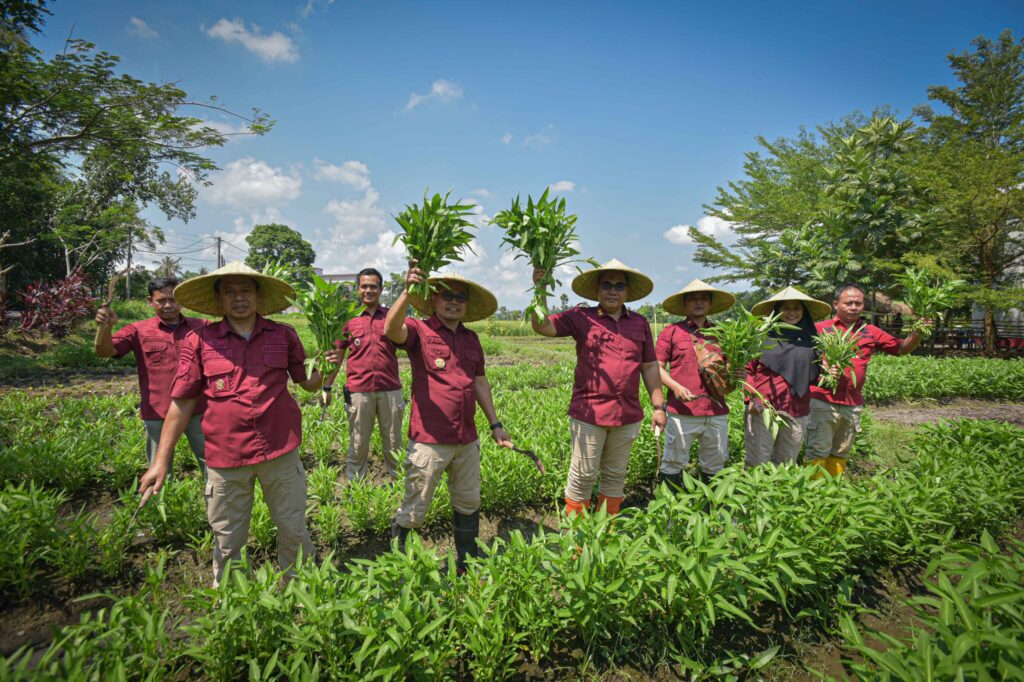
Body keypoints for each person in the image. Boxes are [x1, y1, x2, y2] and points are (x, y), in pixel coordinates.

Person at [138, 262, 339, 586]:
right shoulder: (200, 341)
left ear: (258, 296)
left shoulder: (283, 335)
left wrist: (329, 368)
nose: (238, 297)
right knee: (227, 537)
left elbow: (307, 383)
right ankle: (233, 601)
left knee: (292, 528)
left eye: (245, 290)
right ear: (219, 300)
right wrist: (160, 461)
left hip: (280, 451)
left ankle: (301, 591)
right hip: (226, 457)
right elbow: (182, 401)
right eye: (229, 291)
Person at [385, 263, 512, 574]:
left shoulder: (471, 340)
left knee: (468, 503)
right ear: (434, 300)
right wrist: (406, 291)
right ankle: (405, 570)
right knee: (415, 509)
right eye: (447, 296)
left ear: (466, 304)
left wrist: (495, 425)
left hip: (466, 440)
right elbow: (390, 330)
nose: (454, 301)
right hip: (429, 440)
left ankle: (466, 563)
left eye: (460, 297)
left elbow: (480, 382)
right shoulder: (420, 330)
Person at [530, 259, 666, 516]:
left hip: (627, 415)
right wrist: (539, 290)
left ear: (627, 292)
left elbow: (649, 366)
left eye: (619, 285)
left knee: (615, 475)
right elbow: (543, 326)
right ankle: (577, 542)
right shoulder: (581, 317)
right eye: (606, 285)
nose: (612, 290)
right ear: (597, 290)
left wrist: (659, 406)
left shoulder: (639, 323)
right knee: (582, 476)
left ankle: (607, 531)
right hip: (589, 413)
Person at [805, 283, 928, 476]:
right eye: (849, 303)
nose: (854, 307)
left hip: (851, 403)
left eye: (858, 303)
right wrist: (823, 368)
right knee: (817, 449)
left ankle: (832, 491)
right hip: (822, 400)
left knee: (841, 451)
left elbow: (901, 348)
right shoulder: (820, 329)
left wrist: (918, 332)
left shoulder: (869, 331)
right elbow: (802, 358)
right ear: (836, 304)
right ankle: (813, 494)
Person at [94, 277, 207, 474]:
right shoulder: (138, 330)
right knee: (159, 468)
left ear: (181, 300)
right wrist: (105, 327)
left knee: (211, 465)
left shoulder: (202, 327)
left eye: (173, 299)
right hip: (158, 411)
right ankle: (160, 502)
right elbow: (104, 351)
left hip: (197, 410)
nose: (168, 305)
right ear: (150, 301)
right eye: (161, 300)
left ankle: (215, 503)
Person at [655, 279, 737, 488]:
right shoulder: (672, 332)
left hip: (716, 410)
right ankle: (668, 517)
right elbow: (657, 368)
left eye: (703, 299)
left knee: (715, 464)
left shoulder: (722, 333)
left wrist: (735, 374)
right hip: (683, 411)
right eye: (693, 299)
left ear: (710, 304)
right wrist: (675, 387)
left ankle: (714, 514)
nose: (698, 303)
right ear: (684, 304)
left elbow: (732, 368)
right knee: (673, 462)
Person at [744, 287, 831, 467]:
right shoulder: (761, 338)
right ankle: (755, 494)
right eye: (786, 308)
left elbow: (816, 377)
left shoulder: (813, 341)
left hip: (797, 409)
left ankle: (779, 494)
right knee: (758, 460)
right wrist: (751, 397)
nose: (792, 313)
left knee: (786, 462)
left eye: (796, 309)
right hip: (763, 408)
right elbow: (747, 370)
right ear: (776, 312)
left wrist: (829, 374)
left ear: (804, 312)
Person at [332, 268, 404, 481]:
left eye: (373, 286)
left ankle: (398, 487)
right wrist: (327, 386)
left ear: (381, 289)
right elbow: (337, 356)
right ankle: (357, 488)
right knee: (358, 443)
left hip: (390, 389)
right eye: (364, 286)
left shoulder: (392, 317)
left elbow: (411, 345)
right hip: (358, 391)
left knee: (393, 443)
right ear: (358, 289)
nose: (368, 290)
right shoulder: (349, 319)